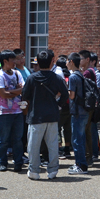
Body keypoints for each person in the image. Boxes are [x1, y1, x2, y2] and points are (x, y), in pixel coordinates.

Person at [21, 50, 69, 180]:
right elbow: (65, 94)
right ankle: (53, 170)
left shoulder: (32, 77)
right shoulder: (56, 77)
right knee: (53, 145)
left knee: (33, 145)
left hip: (36, 115)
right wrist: (58, 104)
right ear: (52, 61)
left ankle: (34, 170)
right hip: (52, 115)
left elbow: (25, 95)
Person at [0, 49, 25, 173]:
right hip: (4, 112)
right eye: (13, 60)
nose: (15, 62)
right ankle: (3, 162)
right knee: (4, 139)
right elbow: (2, 94)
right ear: (5, 61)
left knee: (18, 139)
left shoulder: (17, 73)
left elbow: (22, 88)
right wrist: (16, 91)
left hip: (17, 111)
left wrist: (10, 92)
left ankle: (18, 162)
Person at [67, 52, 90, 174]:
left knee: (77, 139)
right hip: (84, 110)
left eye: (67, 61)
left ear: (71, 62)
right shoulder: (80, 75)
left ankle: (80, 165)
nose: (66, 64)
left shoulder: (72, 77)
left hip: (77, 111)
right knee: (81, 138)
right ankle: (81, 164)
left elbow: (72, 96)